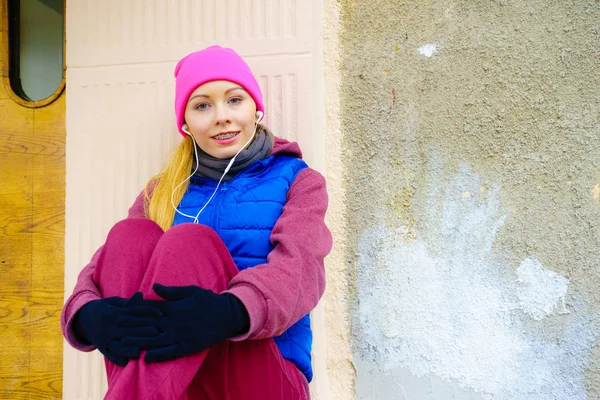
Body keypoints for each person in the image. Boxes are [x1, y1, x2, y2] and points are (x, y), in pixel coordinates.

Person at [60, 45, 332, 400]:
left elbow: (302, 271)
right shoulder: (162, 191)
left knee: (188, 242)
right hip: (179, 383)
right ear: (186, 122)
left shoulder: (298, 180)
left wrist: (229, 312)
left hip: (263, 372)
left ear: (256, 109)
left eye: (234, 100)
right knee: (130, 235)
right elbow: (99, 271)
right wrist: (87, 316)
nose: (221, 116)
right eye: (203, 105)